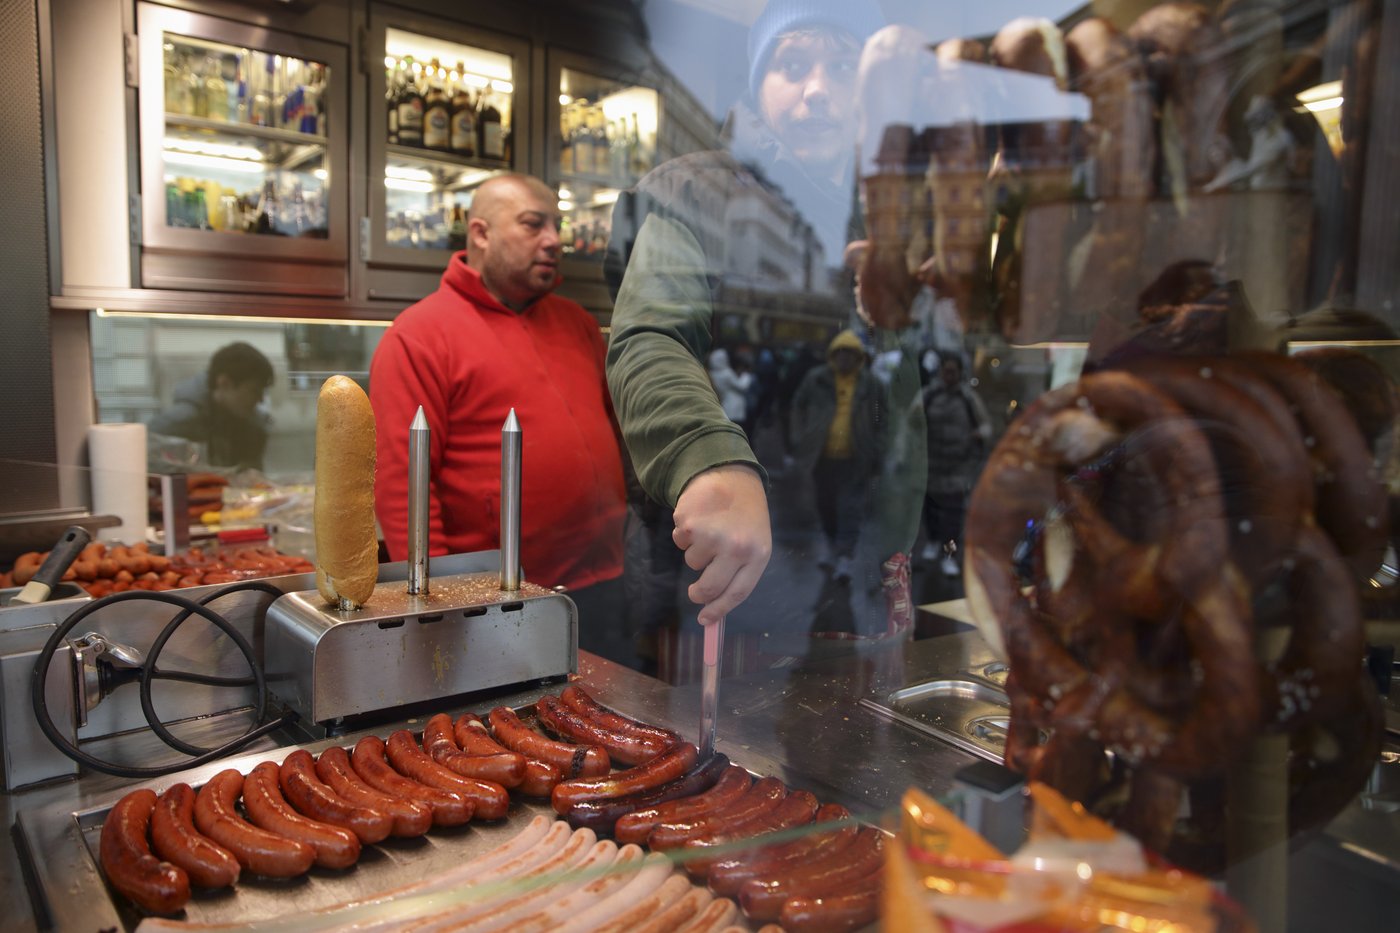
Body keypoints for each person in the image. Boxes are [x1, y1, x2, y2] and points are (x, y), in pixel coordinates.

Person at [607, 0, 927, 641]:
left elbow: (904, 390)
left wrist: (901, 532)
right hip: (727, 568)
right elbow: (651, 339)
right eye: (793, 65)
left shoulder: (885, 222)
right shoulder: (694, 193)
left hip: (860, 569)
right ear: (758, 88)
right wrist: (707, 460)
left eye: (842, 68)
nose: (818, 90)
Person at [369, 173, 628, 656]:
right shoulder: (420, 335)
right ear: (481, 233)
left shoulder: (578, 323)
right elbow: (403, 486)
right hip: (495, 599)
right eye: (534, 225)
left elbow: (612, 431)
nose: (554, 240)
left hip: (603, 583)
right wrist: (437, 602)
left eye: (557, 225)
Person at [789, 329, 886, 583]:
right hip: (822, 457)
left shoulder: (871, 384)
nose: (844, 358)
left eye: (850, 353)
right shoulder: (817, 379)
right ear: (832, 355)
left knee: (850, 509)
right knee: (826, 506)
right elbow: (797, 405)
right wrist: (800, 436)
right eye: (839, 352)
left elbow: (885, 419)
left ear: (858, 357)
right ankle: (832, 546)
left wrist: (877, 447)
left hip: (856, 458)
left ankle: (845, 557)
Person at [917, 351, 992, 576]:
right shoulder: (928, 396)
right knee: (929, 509)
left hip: (958, 468)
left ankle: (948, 556)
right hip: (930, 466)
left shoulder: (968, 399)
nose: (949, 375)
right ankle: (931, 542)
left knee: (952, 516)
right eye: (945, 370)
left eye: (953, 371)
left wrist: (979, 435)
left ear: (959, 373)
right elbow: (910, 423)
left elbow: (986, 426)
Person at [148, 341, 273, 471]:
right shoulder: (178, 423)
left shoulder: (253, 426)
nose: (260, 400)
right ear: (224, 383)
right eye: (253, 391)